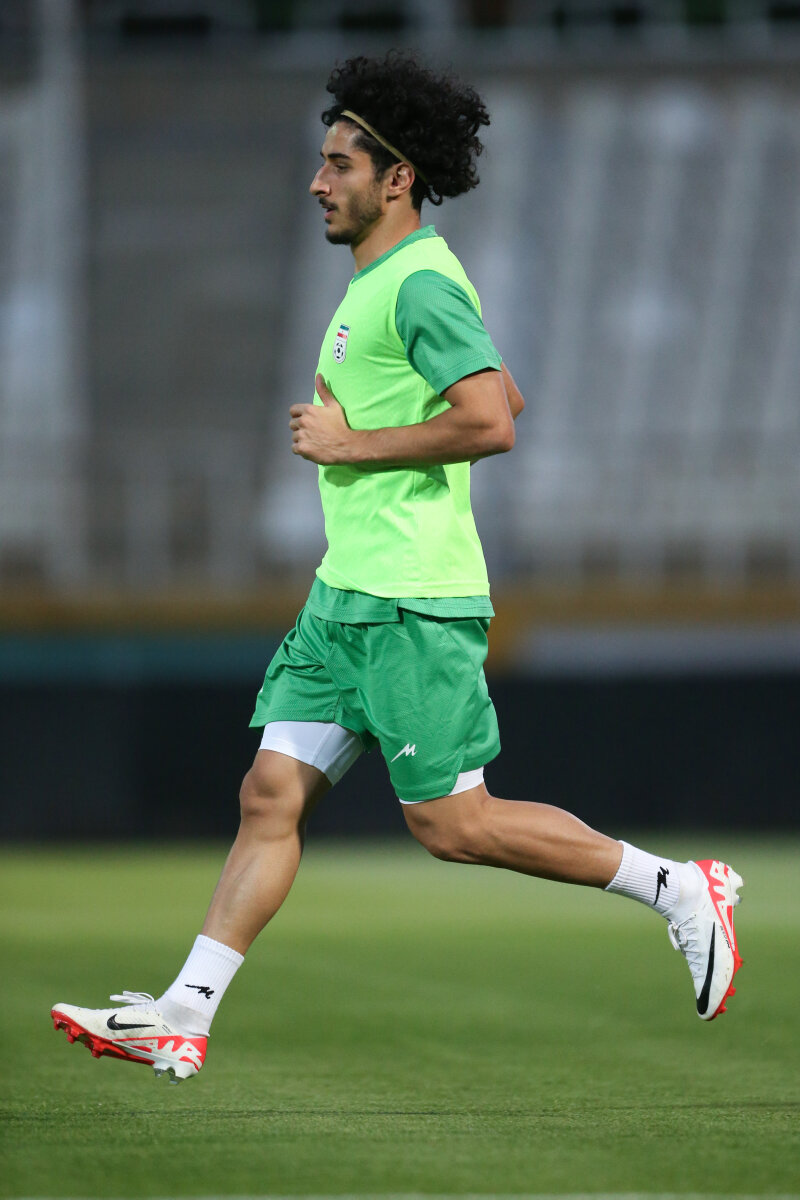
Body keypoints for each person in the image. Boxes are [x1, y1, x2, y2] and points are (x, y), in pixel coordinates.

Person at [51, 52, 743, 1084]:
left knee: (454, 826)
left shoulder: (416, 281)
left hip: (413, 600)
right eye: (322, 161)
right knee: (269, 794)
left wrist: (352, 444)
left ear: (398, 177)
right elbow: (504, 391)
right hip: (346, 596)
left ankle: (677, 889)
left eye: (339, 164)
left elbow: (492, 421)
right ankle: (182, 1016)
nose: (318, 181)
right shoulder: (390, 281)